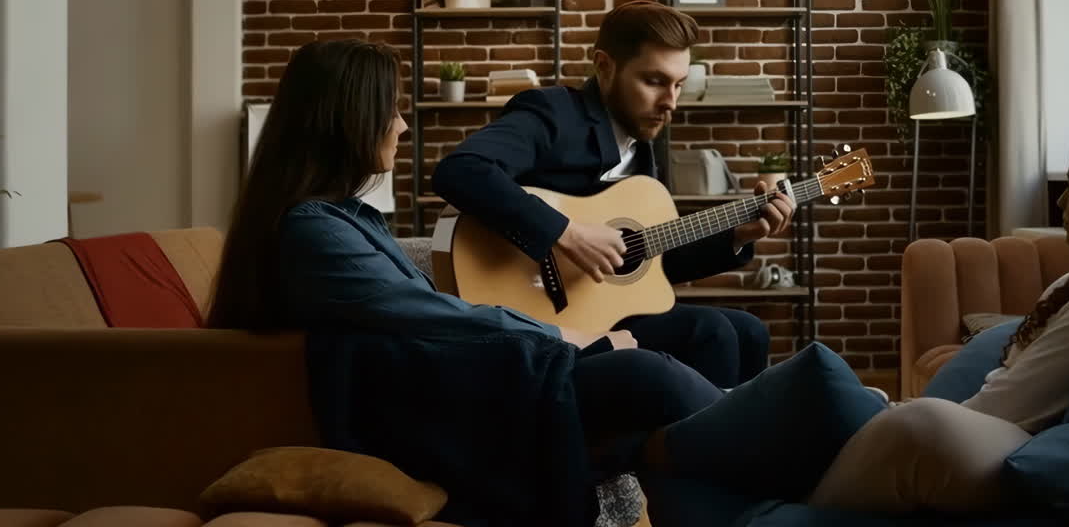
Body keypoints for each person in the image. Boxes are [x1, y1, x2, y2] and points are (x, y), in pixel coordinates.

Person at [206, 39, 727, 524]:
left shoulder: (345, 218)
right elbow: (429, 315)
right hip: (430, 406)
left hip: (447, 378)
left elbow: (422, 311)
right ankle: (759, 435)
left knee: (683, 365)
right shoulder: (312, 228)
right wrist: (571, 338)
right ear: (347, 120)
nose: (402, 126)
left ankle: (745, 470)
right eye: (390, 110)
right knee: (648, 373)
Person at [633, 116, 1069, 525]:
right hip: (938, 438)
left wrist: (888, 417)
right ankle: (666, 446)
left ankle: (653, 452)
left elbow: (1001, 410)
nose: (1061, 203)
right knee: (771, 388)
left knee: (696, 382)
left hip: (955, 447)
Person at [431, 0, 794, 388]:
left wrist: (738, 236)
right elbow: (461, 169)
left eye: (678, 85)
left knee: (750, 330)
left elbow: (648, 264)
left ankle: (745, 427)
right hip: (536, 318)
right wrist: (566, 233)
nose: (670, 102)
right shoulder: (554, 113)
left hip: (601, 310)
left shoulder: (642, 150)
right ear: (604, 66)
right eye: (654, 81)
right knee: (711, 331)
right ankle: (702, 431)